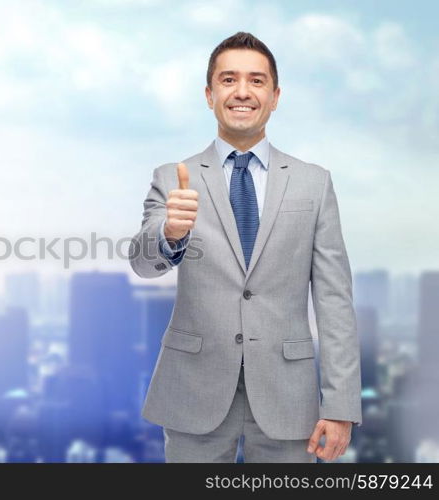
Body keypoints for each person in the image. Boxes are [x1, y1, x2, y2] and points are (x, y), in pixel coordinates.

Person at [129, 32, 361, 463]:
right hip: (193, 390)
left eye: (256, 81)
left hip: (288, 395)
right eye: (228, 79)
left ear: (274, 96)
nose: (241, 92)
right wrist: (170, 236)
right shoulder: (172, 176)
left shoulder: (314, 182)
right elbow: (143, 263)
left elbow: (334, 299)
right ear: (209, 94)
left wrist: (341, 405)